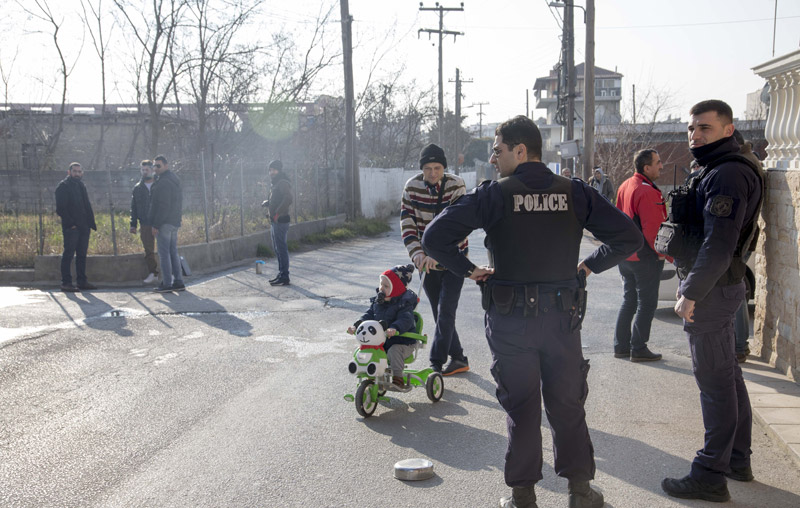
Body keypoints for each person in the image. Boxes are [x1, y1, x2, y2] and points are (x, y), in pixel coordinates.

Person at [422, 116, 642, 508]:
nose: (492, 157)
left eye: (497, 149)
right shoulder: (574, 192)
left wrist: (469, 270)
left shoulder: (495, 195)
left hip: (510, 323)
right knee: (567, 405)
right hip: (561, 320)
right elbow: (628, 237)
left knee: (522, 407)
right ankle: (580, 493)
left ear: (520, 151)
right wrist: (589, 265)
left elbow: (433, 237)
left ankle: (522, 497)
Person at [661, 100, 763, 502]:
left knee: (715, 384)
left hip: (713, 291)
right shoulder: (718, 167)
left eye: (704, 128)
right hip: (719, 289)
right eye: (691, 129)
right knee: (728, 379)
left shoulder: (727, 175)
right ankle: (736, 458)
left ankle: (709, 474)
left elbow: (719, 245)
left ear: (727, 129)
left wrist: (690, 293)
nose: (695, 135)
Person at [401, 143, 470, 376]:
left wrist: (436, 253)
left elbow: (460, 226)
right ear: (422, 169)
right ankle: (459, 357)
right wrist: (418, 253)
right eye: (428, 168)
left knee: (446, 310)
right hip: (425, 262)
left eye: (437, 167)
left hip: (455, 258)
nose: (433, 173)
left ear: (444, 167)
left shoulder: (456, 185)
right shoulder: (411, 188)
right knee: (438, 311)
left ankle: (436, 363)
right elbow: (408, 225)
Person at [612, 149, 672, 362]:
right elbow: (653, 230)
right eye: (658, 162)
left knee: (629, 300)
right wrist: (666, 255)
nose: (661, 166)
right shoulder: (646, 191)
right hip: (644, 257)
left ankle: (621, 346)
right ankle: (638, 348)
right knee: (646, 303)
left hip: (626, 255)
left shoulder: (625, 185)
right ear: (646, 168)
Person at [347, 264, 418, 388]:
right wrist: (356, 325)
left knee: (393, 351)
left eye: (386, 286)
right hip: (382, 341)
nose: (381, 288)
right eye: (381, 284)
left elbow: (406, 319)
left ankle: (398, 377)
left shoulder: (403, 305)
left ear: (395, 288)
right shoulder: (378, 302)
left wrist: (395, 328)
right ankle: (371, 374)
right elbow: (368, 315)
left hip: (402, 342)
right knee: (366, 348)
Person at [731, 129, 763, 363]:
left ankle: (740, 346)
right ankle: (739, 344)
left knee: (737, 292)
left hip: (740, 241)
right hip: (742, 239)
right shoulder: (746, 160)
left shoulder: (743, 164)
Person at [55, 162, 98, 292]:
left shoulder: (81, 185)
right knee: (68, 254)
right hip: (72, 227)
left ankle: (82, 281)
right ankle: (66, 282)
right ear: (69, 172)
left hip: (84, 226)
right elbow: (61, 209)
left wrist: (90, 223)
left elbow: (86, 205)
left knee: (82, 255)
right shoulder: (63, 186)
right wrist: (71, 224)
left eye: (79, 172)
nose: (77, 174)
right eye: (75, 171)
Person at [148, 155, 185, 293]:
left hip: (164, 223)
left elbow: (163, 205)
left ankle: (167, 283)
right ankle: (178, 281)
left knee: (164, 254)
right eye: (154, 166)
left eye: (159, 166)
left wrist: (156, 224)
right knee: (173, 252)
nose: (156, 168)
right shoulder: (174, 180)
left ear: (166, 166)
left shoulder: (163, 182)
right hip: (174, 221)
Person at [130, 159, 159, 284]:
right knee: (148, 250)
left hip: (160, 221)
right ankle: (153, 273)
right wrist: (133, 224)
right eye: (143, 170)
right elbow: (134, 207)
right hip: (145, 223)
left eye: (147, 169)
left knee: (165, 248)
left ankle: (171, 274)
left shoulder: (159, 185)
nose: (145, 172)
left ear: (152, 170)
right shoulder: (138, 188)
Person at [264, 160, 292, 286]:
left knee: (281, 248)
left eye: (274, 170)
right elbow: (277, 199)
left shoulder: (282, 182)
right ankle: (281, 274)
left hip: (280, 220)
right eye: (270, 170)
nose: (271, 172)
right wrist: (268, 203)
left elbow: (288, 198)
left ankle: (285, 276)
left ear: (279, 170)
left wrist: (277, 213)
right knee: (277, 248)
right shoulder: (275, 183)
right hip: (275, 220)